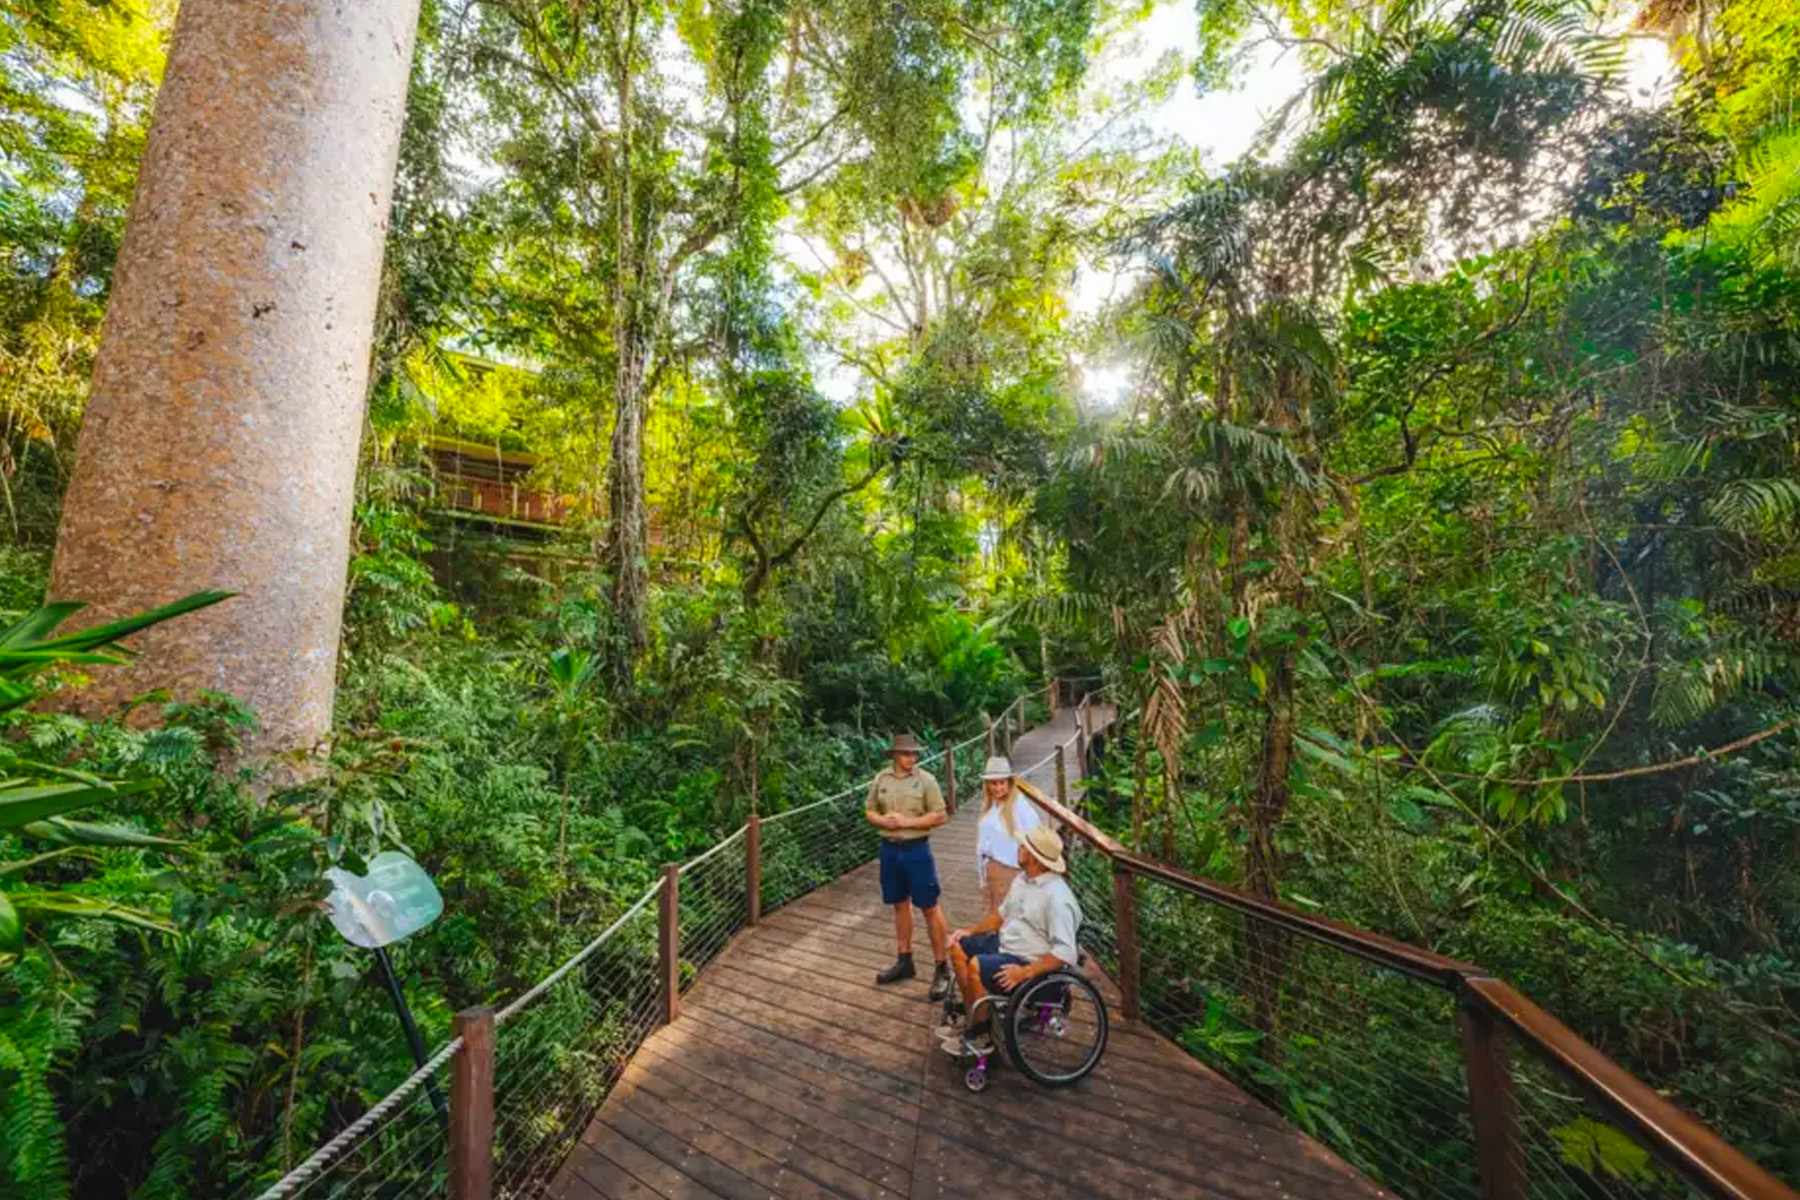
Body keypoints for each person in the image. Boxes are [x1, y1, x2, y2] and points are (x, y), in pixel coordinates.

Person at [939, 825, 1083, 1054]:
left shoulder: (1057, 898)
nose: (1019, 848)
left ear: (1035, 858)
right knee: (958, 947)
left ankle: (982, 1035)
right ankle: (974, 1017)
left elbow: (1065, 953)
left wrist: (1023, 972)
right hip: (1007, 944)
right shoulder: (1023, 879)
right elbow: (1000, 915)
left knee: (976, 965)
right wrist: (970, 931)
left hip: (1030, 961)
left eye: (1024, 846)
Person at [865, 732, 953, 1001]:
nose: (911, 758)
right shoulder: (881, 779)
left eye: (914, 754)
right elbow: (869, 811)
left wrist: (906, 823)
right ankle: (905, 961)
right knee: (899, 904)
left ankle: (942, 969)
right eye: (906, 753)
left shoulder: (925, 780)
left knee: (929, 906)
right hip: (890, 851)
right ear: (894, 755)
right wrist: (882, 821)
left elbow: (941, 815)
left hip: (917, 850)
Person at [974, 756, 1042, 920]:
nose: (997, 788)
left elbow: (1036, 835)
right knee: (992, 918)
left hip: (1009, 870)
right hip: (990, 870)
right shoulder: (990, 805)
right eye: (993, 783)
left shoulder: (1019, 806)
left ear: (1009, 783)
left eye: (1001, 783)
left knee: (1007, 921)